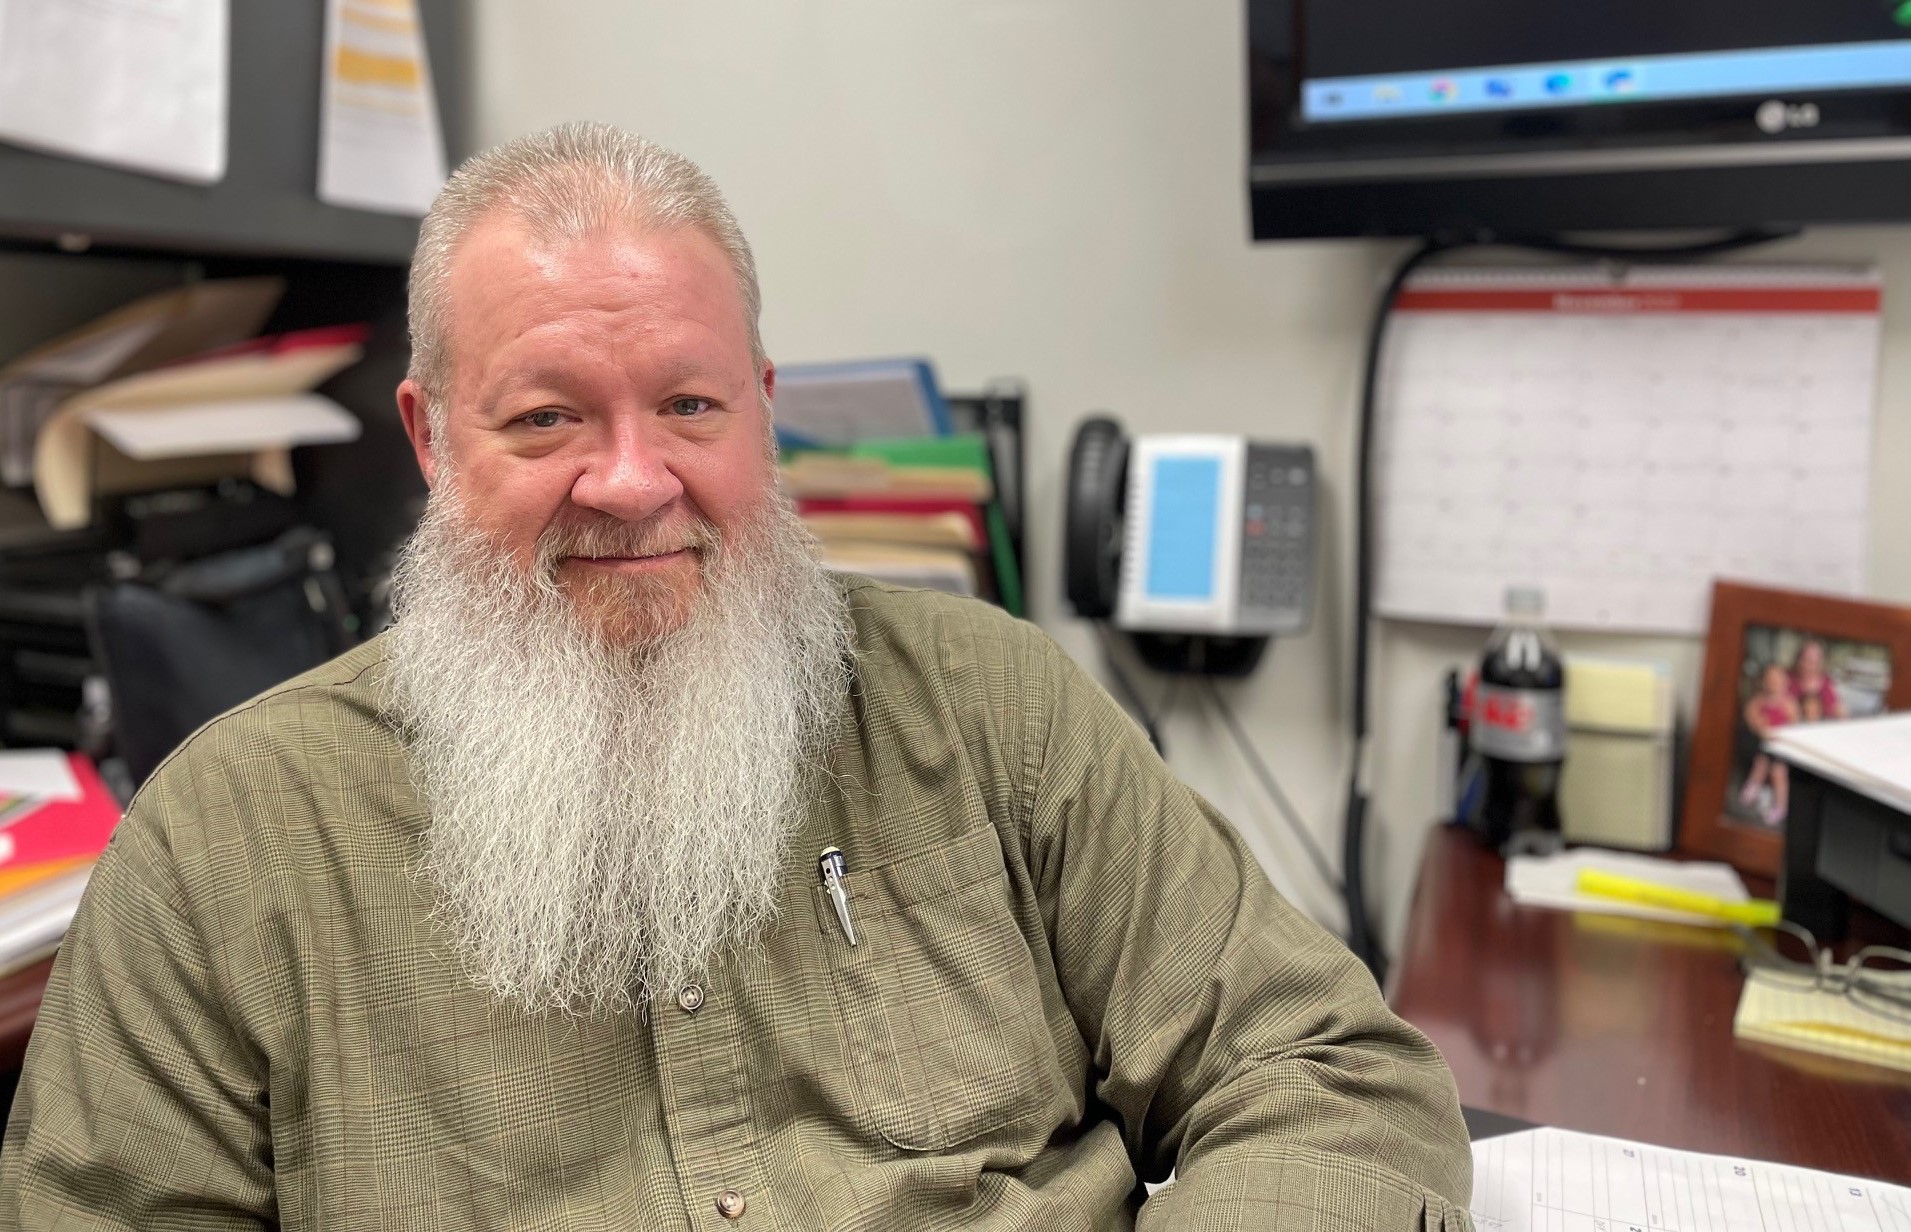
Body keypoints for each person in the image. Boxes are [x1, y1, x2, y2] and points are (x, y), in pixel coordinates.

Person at [0, 123, 1472, 1230]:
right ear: (432, 439)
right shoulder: (224, 846)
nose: (634, 482)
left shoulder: (991, 710)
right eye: (546, 417)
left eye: (689, 405)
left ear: (761, 417)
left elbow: (1324, 1076)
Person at [1738, 663, 1800, 827]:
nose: (1774, 683)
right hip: (1765, 745)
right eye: (1770, 679)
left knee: (1778, 773)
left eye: (1777, 679)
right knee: (1760, 763)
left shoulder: (1789, 703)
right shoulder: (1760, 700)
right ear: (1764, 682)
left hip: (1781, 747)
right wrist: (1759, 725)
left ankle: (1780, 806)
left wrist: (1779, 733)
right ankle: (1753, 787)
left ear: (1785, 682)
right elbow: (1750, 715)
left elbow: (1794, 724)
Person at [1790, 640, 1846, 723]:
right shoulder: (1788, 680)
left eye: (1814, 662)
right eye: (1805, 660)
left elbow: (1838, 711)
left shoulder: (1827, 684)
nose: (1809, 666)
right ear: (1798, 661)